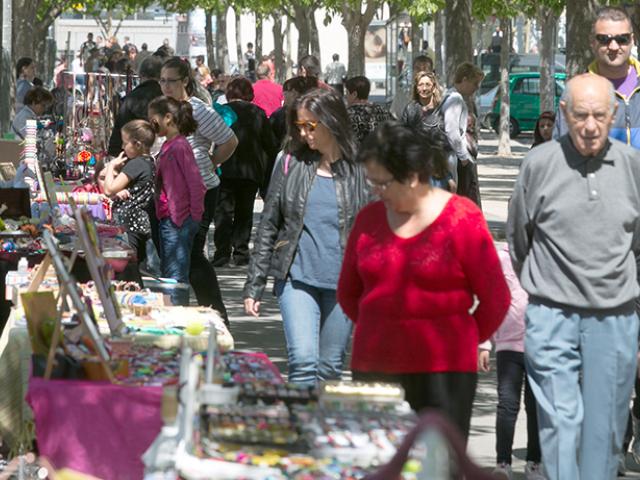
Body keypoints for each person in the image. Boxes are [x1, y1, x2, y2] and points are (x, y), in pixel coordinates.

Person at [337, 121, 509, 440]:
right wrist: (383, 326)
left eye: (382, 183)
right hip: (375, 366)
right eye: (370, 183)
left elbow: (496, 299)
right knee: (378, 463)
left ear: (414, 177)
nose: (374, 191)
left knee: (438, 465)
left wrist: (461, 335)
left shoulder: (462, 218)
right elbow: (348, 293)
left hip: (446, 371)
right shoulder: (368, 219)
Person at [507, 74, 640, 480]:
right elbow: (518, 240)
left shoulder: (634, 167)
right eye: (580, 115)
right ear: (564, 114)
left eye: (599, 115)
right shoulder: (539, 164)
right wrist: (548, 285)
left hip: (615, 317)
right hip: (552, 314)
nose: (589, 125)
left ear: (613, 113)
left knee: (604, 434)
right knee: (561, 426)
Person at [243, 89, 369, 386]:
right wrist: (254, 284)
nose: (304, 133)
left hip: (344, 284)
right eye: (299, 126)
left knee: (329, 368)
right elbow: (269, 224)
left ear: (332, 121)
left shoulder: (361, 169)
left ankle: (320, 428)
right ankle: (301, 428)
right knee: (302, 361)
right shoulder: (289, 162)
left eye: (310, 126)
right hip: (296, 278)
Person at [160, 57, 238, 321]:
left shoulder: (199, 110)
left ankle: (216, 314)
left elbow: (229, 141)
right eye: (162, 80)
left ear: (184, 81)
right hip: (170, 192)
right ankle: (180, 312)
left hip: (201, 190)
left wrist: (210, 163)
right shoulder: (162, 109)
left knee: (191, 254)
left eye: (171, 81)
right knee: (175, 254)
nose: (165, 86)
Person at [478, 244, 544, 480]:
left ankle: (534, 463)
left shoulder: (545, 252)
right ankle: (503, 462)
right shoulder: (501, 258)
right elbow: (490, 298)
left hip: (541, 346)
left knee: (536, 407)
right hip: (508, 344)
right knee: (507, 405)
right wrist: (485, 343)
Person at [212, 77, 278, 267]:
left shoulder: (222, 112)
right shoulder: (258, 113)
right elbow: (270, 144)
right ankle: (241, 252)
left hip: (225, 167)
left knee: (223, 212)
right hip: (251, 171)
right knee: (245, 212)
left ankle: (222, 253)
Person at [554, 7, 640, 150]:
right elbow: (561, 153)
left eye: (622, 39)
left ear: (632, 40)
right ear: (592, 42)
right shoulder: (576, 93)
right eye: (604, 39)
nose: (613, 46)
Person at [148, 96, 205, 307]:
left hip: (178, 220)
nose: (151, 125)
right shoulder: (169, 146)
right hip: (170, 218)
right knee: (170, 273)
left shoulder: (179, 146)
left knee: (175, 276)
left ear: (168, 118)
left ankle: (177, 315)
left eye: (153, 120)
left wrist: (193, 217)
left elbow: (195, 183)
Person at [103, 120, 156, 265]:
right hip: (139, 223)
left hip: (129, 225)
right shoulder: (149, 162)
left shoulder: (137, 164)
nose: (122, 147)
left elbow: (109, 189)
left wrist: (111, 166)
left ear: (137, 145)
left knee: (128, 266)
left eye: (125, 143)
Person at [442, 62, 484, 202]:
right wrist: (464, 157)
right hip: (455, 158)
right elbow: (452, 131)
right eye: (475, 83)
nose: (476, 88)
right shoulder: (455, 99)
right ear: (465, 79)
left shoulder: (449, 95)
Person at [108, 55, 164, 156]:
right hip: (159, 156)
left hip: (132, 154)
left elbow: (120, 128)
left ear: (140, 74)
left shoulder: (131, 97)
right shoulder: (166, 97)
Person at [270, 76, 319, 151]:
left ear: (293, 92)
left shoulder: (280, 114)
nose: (283, 96)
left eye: (285, 93)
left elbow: (271, 140)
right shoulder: (315, 111)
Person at [345, 75, 390, 144]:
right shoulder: (382, 110)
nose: (346, 96)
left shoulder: (348, 114)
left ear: (354, 94)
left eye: (347, 93)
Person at [390, 55, 434, 119]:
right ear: (413, 71)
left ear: (431, 72)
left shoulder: (439, 95)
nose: (421, 72)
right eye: (417, 68)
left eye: (424, 68)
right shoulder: (402, 94)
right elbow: (393, 117)